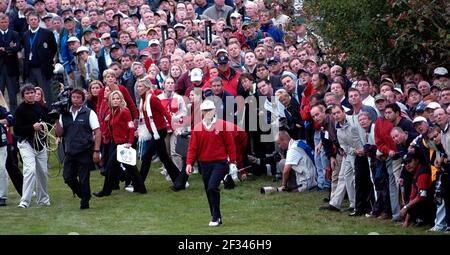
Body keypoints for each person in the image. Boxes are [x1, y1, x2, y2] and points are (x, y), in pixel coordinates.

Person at [185, 99, 238, 227]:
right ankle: (216, 216)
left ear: (214, 111)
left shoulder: (222, 125)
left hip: (220, 162)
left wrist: (233, 162)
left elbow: (230, 145)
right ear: (202, 112)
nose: (208, 112)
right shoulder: (197, 128)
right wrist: (189, 163)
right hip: (204, 163)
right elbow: (193, 148)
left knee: (212, 187)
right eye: (205, 110)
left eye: (210, 110)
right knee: (209, 190)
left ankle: (215, 216)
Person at [93, 90, 147, 197]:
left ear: (121, 99)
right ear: (110, 100)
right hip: (115, 144)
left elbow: (131, 127)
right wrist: (106, 120)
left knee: (111, 167)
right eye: (113, 98)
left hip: (123, 144)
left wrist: (130, 142)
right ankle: (140, 188)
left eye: (118, 98)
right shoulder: (112, 112)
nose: (116, 100)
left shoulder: (124, 111)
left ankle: (106, 191)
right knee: (130, 168)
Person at [55, 89, 102, 209]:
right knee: (68, 177)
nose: (75, 99)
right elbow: (59, 133)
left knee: (84, 178)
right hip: (70, 151)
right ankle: (83, 194)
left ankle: (85, 202)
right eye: (73, 97)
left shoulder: (89, 113)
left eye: (78, 97)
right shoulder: (64, 114)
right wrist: (56, 119)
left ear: (83, 99)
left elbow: (97, 131)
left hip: (85, 150)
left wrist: (96, 151)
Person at [14, 84, 51, 208]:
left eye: (32, 93)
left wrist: (43, 126)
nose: (30, 95)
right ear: (23, 96)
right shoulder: (20, 110)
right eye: (27, 93)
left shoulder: (40, 107)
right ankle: (25, 201)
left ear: (35, 94)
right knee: (30, 170)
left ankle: (43, 199)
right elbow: (17, 130)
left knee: (43, 172)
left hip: (40, 144)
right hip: (26, 143)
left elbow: (48, 123)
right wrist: (32, 127)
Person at [22, 12, 57, 106]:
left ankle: (48, 114)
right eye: (31, 20)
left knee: (45, 92)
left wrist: (48, 61)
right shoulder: (25, 35)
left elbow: (53, 48)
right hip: (30, 69)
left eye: (35, 20)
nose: (33, 22)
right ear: (28, 22)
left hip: (42, 68)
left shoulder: (47, 33)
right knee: (31, 93)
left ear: (38, 21)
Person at [0, 13, 21, 113]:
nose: (4, 24)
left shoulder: (14, 34)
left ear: (8, 23)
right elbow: (12, 48)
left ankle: (14, 115)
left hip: (11, 68)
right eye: (2, 22)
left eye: (5, 22)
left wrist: (4, 49)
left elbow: (16, 48)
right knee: (0, 94)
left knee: (12, 94)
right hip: (0, 69)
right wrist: (9, 49)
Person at [0, 93, 13, 206]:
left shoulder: (1, 109)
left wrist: (3, 121)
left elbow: (10, 118)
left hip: (1, 144)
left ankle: (2, 196)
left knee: (1, 169)